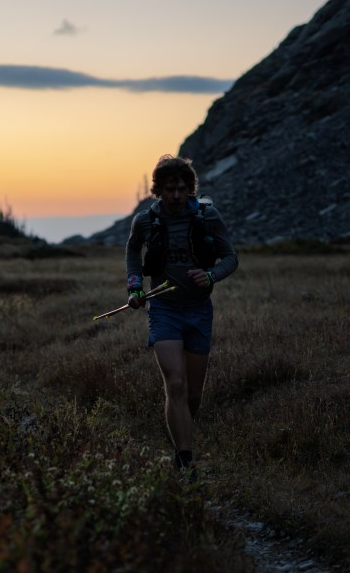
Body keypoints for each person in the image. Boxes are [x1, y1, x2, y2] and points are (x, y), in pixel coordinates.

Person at [125, 154, 238, 474]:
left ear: (190, 188)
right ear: (158, 190)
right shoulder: (145, 220)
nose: (176, 195)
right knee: (175, 384)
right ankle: (185, 459)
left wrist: (212, 275)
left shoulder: (207, 215)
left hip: (199, 311)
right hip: (164, 310)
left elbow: (231, 258)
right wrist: (135, 288)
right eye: (169, 189)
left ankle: (181, 433)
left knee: (193, 394)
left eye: (182, 189)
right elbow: (132, 252)